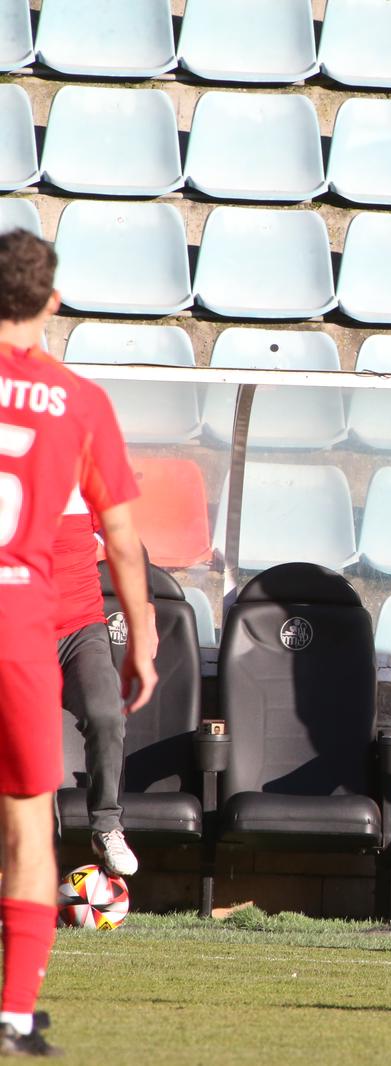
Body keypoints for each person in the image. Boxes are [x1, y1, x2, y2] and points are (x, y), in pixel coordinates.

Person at [0, 229, 156, 1057]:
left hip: (46, 620)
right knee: (28, 826)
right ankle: (17, 1015)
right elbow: (123, 537)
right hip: (22, 618)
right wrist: (147, 632)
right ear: (51, 303)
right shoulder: (78, 399)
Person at [52, 498, 150, 877]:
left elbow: (125, 543)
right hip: (21, 632)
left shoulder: (83, 479)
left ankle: (107, 825)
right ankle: (41, 856)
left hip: (82, 630)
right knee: (33, 745)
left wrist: (147, 606)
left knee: (106, 714)